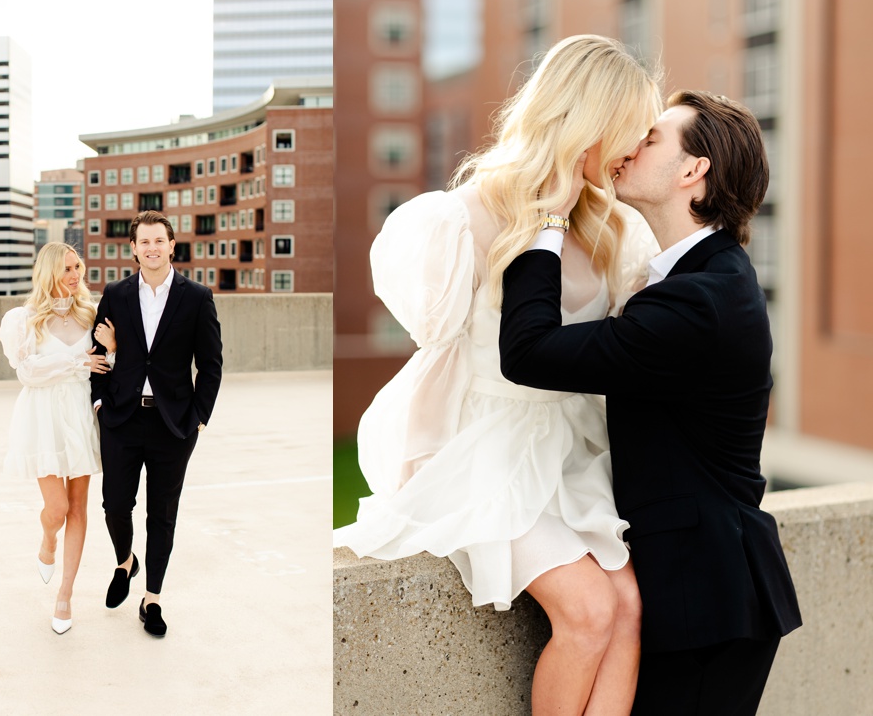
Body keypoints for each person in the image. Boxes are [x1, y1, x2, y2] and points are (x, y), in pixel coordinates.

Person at [334, 35, 663, 714]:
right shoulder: (462, 216)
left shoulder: (617, 228)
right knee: (589, 611)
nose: (637, 148)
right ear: (588, 121)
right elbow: (435, 344)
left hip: (573, 452)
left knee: (629, 606)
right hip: (487, 450)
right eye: (630, 130)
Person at [499, 90, 802, 715]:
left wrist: (548, 220)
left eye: (653, 138)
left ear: (693, 171)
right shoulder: (705, 277)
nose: (629, 146)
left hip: (704, 603)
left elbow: (529, 352)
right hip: (708, 590)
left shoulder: (699, 301)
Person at [90, 210, 223, 637]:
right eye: (142, 242)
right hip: (121, 418)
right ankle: (126, 560)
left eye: (158, 241)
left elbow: (211, 365)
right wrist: (97, 403)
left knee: (162, 515)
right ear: (133, 249)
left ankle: (152, 599)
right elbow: (98, 356)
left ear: (172, 245)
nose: (151, 248)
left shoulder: (197, 296)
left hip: (174, 425)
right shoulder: (115, 293)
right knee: (115, 505)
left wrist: (199, 417)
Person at [0, 241, 111, 635]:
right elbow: (29, 372)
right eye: (66, 268)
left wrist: (107, 352)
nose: (75, 274)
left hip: (80, 415)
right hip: (43, 418)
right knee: (58, 509)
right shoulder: (24, 319)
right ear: (49, 272)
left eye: (77, 266)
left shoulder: (92, 314)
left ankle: (65, 594)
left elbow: (106, 365)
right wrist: (75, 360)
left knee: (80, 508)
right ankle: (47, 539)